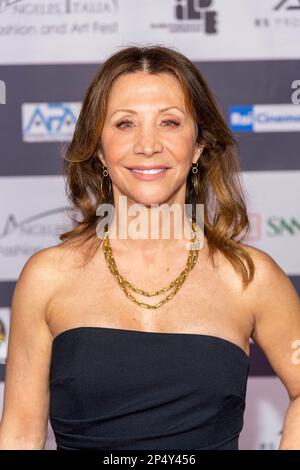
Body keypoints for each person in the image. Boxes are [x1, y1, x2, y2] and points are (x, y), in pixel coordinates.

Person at [0, 45, 300, 450]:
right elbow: (20, 433)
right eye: (124, 124)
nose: (147, 145)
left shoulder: (248, 276)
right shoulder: (48, 277)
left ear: (198, 146)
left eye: (170, 123)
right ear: (99, 148)